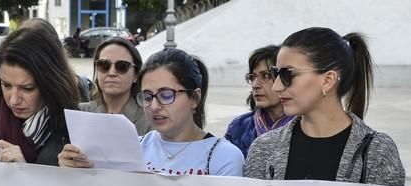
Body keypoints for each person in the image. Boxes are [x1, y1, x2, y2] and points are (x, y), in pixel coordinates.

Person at [245, 27, 404, 186]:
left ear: (328, 80)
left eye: (287, 74)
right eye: (275, 74)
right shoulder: (264, 148)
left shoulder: (377, 152)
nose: (276, 86)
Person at [59, 49, 244, 176]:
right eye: (147, 96)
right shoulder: (130, 148)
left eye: (166, 95)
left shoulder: (224, 157)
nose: (154, 106)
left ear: (194, 98)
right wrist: (75, 170)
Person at [0, 18, 79, 165]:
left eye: (27, 88)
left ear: (50, 83)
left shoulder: (74, 132)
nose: (13, 100)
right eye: (6, 85)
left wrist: (24, 173)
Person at [224, 45, 293, 156]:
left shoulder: (305, 126)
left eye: (265, 76)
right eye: (252, 77)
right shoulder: (238, 127)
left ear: (284, 77)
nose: (255, 85)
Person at [79, 37, 149, 136]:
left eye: (122, 66)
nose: (111, 73)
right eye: (103, 65)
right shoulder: (80, 113)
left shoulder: (150, 117)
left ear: (136, 75)